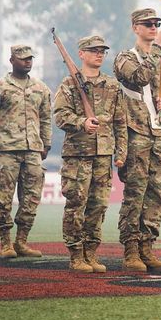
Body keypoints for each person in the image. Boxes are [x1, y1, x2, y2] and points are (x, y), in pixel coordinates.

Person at [53, 35, 127, 273]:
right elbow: (60, 116)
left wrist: (121, 152)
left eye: (102, 51)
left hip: (104, 156)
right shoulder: (68, 84)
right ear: (81, 54)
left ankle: (91, 253)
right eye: (93, 50)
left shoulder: (112, 85)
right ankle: (76, 254)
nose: (99, 54)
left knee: (99, 206)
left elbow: (120, 122)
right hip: (78, 156)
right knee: (76, 204)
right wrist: (81, 122)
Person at [115, 7, 161, 273]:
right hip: (137, 134)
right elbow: (139, 76)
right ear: (135, 28)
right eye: (148, 24)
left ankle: (147, 247)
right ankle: (131, 249)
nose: (153, 28)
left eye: (156, 23)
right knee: (135, 193)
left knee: (156, 193)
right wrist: (158, 50)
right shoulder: (125, 58)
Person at [0, 44, 51, 259]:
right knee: (4, 199)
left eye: (30, 58)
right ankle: (5, 242)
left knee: (31, 198)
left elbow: (45, 119)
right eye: (23, 58)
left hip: (33, 151)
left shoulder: (41, 89)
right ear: (12, 61)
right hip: (7, 151)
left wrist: (46, 144)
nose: (27, 62)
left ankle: (22, 241)